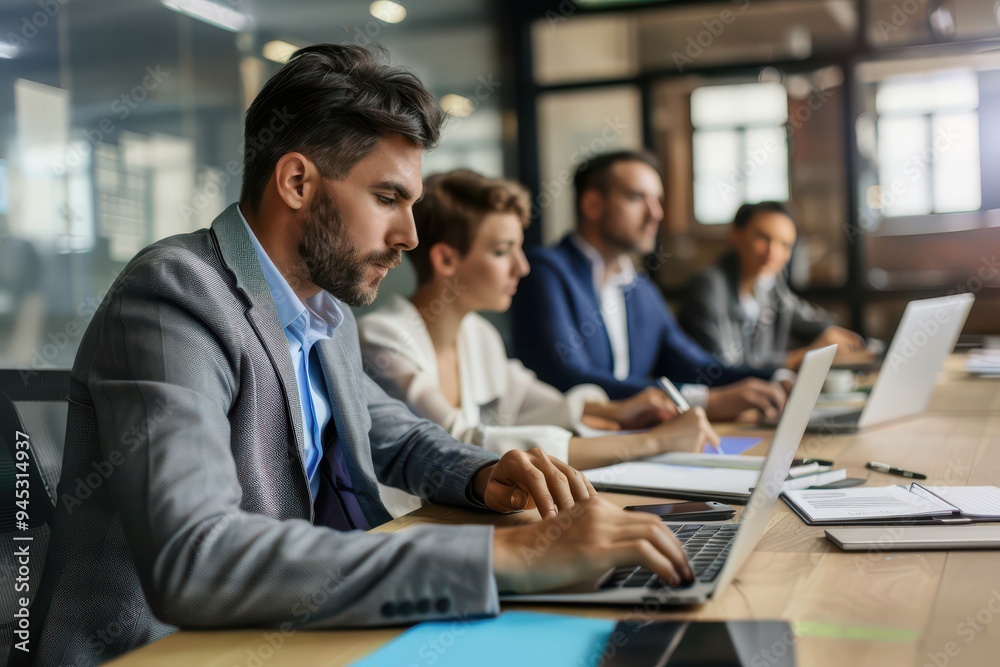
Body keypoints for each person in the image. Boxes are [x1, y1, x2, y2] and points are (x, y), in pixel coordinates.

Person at [23, 47, 694, 667]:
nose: (408, 234)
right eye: (388, 198)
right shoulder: (174, 293)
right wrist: (502, 553)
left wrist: (485, 472)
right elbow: (196, 558)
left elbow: (394, 436)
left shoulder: (325, 309)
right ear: (296, 181)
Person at [358, 170, 719, 516]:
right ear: (446, 259)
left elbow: (543, 404)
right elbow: (459, 445)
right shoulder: (382, 337)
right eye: (502, 251)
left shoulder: (479, 335)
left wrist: (616, 412)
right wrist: (653, 442)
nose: (523, 267)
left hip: (459, 519)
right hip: (406, 527)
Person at [511, 150, 790, 422]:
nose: (656, 214)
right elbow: (569, 378)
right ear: (592, 205)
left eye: (657, 200)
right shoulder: (544, 271)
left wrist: (777, 378)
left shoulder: (639, 288)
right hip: (567, 453)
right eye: (637, 198)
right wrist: (704, 401)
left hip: (636, 443)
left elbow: (696, 365)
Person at [679, 201, 865, 371]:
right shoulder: (709, 288)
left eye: (785, 245)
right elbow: (722, 369)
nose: (773, 252)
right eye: (763, 238)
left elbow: (807, 319)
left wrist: (832, 335)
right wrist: (800, 357)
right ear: (736, 234)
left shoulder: (770, 284)